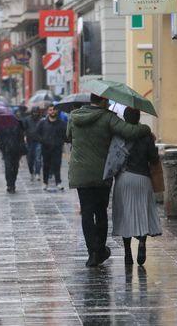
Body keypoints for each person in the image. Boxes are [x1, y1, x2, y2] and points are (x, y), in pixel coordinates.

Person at [67, 93, 151, 267]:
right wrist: (146, 129)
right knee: (101, 212)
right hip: (101, 173)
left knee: (87, 213)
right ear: (104, 101)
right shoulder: (108, 117)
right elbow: (130, 131)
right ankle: (100, 250)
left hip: (80, 173)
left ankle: (92, 253)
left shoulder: (74, 117)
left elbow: (68, 136)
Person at [111, 108, 162, 266]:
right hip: (143, 179)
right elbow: (153, 159)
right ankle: (141, 243)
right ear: (139, 117)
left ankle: (127, 253)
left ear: (124, 118)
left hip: (124, 179)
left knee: (125, 215)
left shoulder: (119, 135)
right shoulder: (147, 136)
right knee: (142, 213)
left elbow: (112, 158)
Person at [36, 104, 67, 191]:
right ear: (47, 111)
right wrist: (42, 140)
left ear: (56, 111)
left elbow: (65, 134)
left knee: (57, 165)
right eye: (50, 110)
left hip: (57, 148)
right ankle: (45, 183)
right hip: (45, 148)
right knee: (46, 166)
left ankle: (58, 182)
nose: (52, 111)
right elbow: (37, 133)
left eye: (54, 110)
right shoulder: (42, 123)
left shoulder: (61, 123)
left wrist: (61, 141)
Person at [0, 111, 27, 193]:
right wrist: (3, 148)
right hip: (6, 151)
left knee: (15, 167)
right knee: (8, 167)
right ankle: (10, 184)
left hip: (16, 151)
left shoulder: (18, 124)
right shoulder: (1, 126)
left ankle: (13, 182)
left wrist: (21, 148)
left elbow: (21, 137)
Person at [23, 108, 43, 181]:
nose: (35, 114)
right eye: (34, 112)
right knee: (29, 159)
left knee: (38, 158)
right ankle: (31, 172)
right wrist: (24, 136)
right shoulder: (27, 120)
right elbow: (23, 129)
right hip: (29, 142)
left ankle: (37, 173)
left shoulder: (41, 120)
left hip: (38, 142)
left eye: (37, 112)